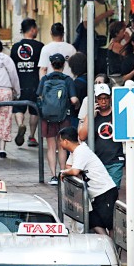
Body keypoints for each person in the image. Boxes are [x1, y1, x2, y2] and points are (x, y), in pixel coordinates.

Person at [59, 127, 117, 235]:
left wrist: (64, 172)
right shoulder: (75, 151)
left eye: (61, 141)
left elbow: (75, 171)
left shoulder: (81, 151)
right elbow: (69, 166)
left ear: (66, 141)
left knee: (110, 224)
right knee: (94, 222)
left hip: (105, 191)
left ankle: (112, 248)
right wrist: (67, 170)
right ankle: (106, 241)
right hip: (94, 194)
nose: (60, 144)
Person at [38, 54, 77, 184]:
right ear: (64, 65)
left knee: (50, 147)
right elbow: (73, 99)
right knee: (62, 147)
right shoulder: (68, 80)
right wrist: (76, 105)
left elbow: (39, 96)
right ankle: (62, 173)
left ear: (51, 65)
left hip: (47, 117)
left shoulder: (45, 79)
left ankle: (53, 176)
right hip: (63, 115)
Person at [77, 84, 125, 187]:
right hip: (96, 162)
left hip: (115, 160)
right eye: (100, 98)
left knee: (112, 191)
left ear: (110, 98)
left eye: (106, 98)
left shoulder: (117, 114)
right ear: (96, 100)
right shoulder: (92, 115)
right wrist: (90, 116)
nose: (103, 101)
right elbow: (82, 136)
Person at [11, 19, 44, 148]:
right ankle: (31, 136)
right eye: (36, 28)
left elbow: (12, 66)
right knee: (34, 111)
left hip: (20, 83)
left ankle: (20, 125)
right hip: (35, 83)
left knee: (19, 108)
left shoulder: (15, 47)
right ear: (32, 29)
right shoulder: (40, 46)